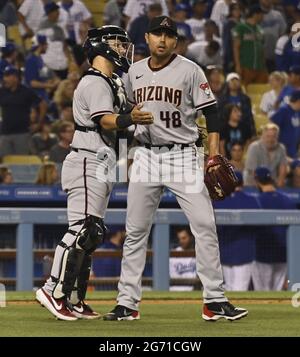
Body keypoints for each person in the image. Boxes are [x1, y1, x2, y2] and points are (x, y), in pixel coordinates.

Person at [104, 16, 248, 322]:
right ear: (147, 37)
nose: (162, 39)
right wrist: (128, 130)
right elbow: (124, 112)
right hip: (144, 156)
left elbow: (212, 111)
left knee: (204, 225)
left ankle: (214, 300)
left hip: (183, 156)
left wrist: (213, 154)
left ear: (175, 41)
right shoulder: (135, 72)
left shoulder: (190, 69)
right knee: (135, 231)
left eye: (169, 35)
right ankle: (126, 303)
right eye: (157, 33)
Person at [35, 25, 153, 321]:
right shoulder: (94, 82)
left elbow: (125, 123)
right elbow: (106, 121)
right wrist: (130, 118)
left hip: (101, 161)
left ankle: (74, 297)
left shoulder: (113, 81)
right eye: (117, 42)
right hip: (87, 159)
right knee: (82, 229)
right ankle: (51, 289)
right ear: (101, 46)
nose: (124, 48)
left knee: (92, 233)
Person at [214, 171, 260, 291]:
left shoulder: (218, 201)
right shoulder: (252, 201)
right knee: (240, 290)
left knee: (227, 290)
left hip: (224, 252)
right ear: (243, 183)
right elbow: (259, 227)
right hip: (245, 253)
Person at [252, 166, 296, 290]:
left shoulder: (256, 201)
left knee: (262, 292)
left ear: (257, 181)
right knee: (277, 292)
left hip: (262, 254)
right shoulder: (288, 200)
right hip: (283, 253)